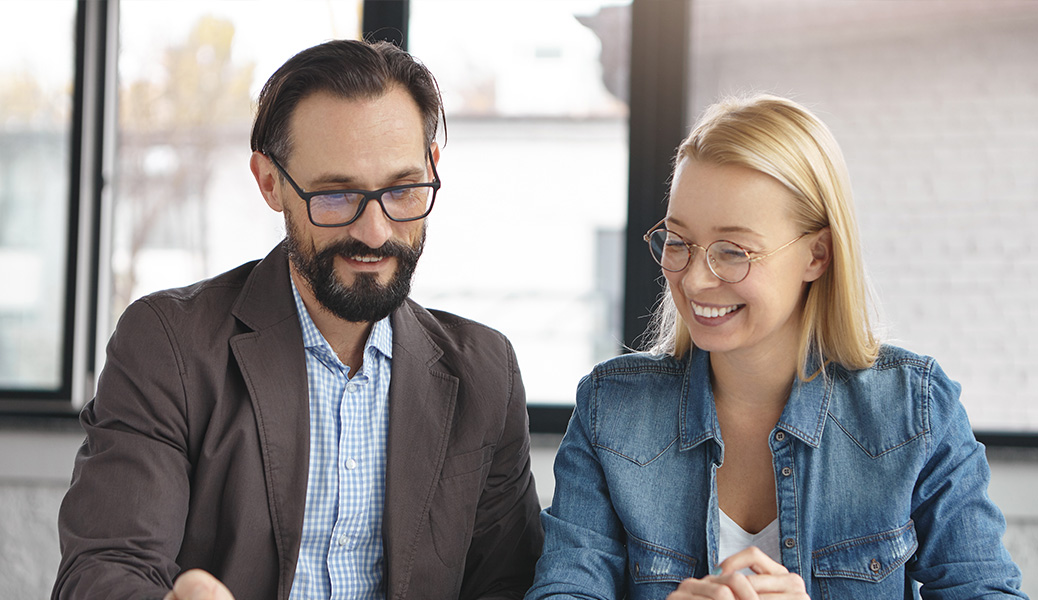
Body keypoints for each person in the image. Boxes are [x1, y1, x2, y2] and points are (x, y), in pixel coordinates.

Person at [52, 39, 543, 600]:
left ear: (432, 166)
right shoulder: (168, 346)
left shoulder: (486, 373)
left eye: (403, 190)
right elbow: (104, 569)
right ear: (270, 181)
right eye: (335, 196)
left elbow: (509, 586)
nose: (375, 232)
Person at [525, 94, 1027, 599]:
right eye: (678, 242)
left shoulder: (914, 410)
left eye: (733, 251)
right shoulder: (610, 408)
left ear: (817, 255)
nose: (695, 280)